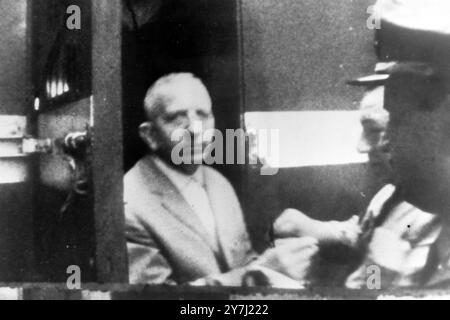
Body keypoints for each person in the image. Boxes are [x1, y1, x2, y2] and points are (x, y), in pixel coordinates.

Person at [124, 72, 318, 286]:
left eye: (203, 115)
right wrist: (259, 274)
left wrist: (283, 268)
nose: (196, 129)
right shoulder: (129, 203)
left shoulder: (218, 183)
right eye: (177, 118)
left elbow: (243, 261)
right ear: (150, 135)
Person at [274, 79, 441, 288]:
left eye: (372, 130)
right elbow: (360, 233)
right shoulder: (388, 195)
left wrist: (282, 288)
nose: (360, 147)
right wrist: (314, 227)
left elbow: (371, 287)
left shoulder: (431, 216)